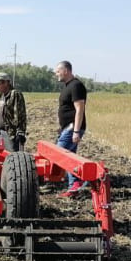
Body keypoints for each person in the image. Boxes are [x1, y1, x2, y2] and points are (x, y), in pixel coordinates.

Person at [55, 60, 88, 197]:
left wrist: (75, 131)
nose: (56, 73)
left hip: (72, 127)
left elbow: (79, 109)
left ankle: (80, 179)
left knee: (60, 153)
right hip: (67, 127)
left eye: (58, 71)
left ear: (66, 71)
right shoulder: (68, 86)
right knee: (70, 156)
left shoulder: (76, 86)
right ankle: (73, 186)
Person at [0, 72, 27, 151]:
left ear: (6, 82)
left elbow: (20, 114)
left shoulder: (15, 94)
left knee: (12, 157)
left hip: (10, 134)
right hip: (0, 133)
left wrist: (20, 132)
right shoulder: (2, 95)